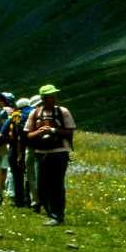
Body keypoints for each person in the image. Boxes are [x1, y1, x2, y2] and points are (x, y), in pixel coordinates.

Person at [24, 84, 76, 226]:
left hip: (59, 153)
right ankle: (50, 212)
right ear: (43, 98)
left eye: (54, 95)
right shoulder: (34, 113)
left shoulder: (63, 111)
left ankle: (57, 215)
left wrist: (53, 131)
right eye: (50, 96)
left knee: (57, 185)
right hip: (41, 153)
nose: (53, 98)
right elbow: (28, 134)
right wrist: (40, 132)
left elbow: (70, 132)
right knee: (42, 186)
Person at [1, 98, 31, 207]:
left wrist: (10, 140)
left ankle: (19, 201)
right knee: (30, 175)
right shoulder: (34, 112)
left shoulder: (15, 115)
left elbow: (2, 133)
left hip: (15, 149)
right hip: (31, 147)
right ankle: (31, 200)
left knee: (17, 176)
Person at [24, 95, 43, 212]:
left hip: (31, 148)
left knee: (32, 176)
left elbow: (25, 135)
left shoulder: (29, 115)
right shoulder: (50, 113)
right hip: (46, 149)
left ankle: (35, 200)